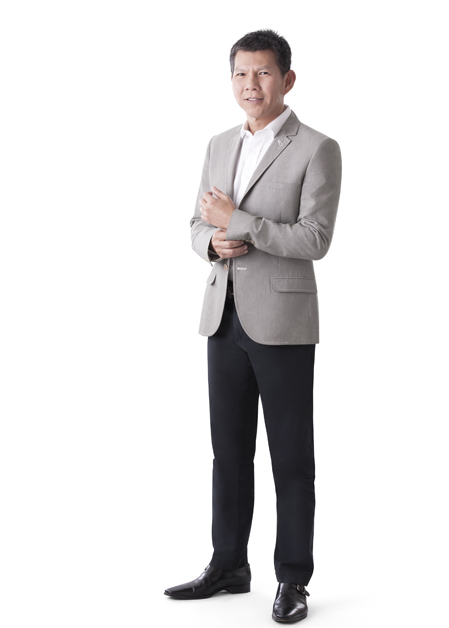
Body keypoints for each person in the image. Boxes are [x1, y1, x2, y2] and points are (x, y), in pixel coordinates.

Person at [163, 29, 342, 624]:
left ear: (286, 79)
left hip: (284, 321)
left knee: (290, 458)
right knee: (229, 452)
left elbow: (315, 239)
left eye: (263, 73)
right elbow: (197, 223)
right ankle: (228, 565)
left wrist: (237, 221)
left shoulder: (317, 148)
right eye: (241, 74)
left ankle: (293, 579)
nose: (251, 85)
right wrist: (211, 243)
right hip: (223, 314)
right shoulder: (219, 144)